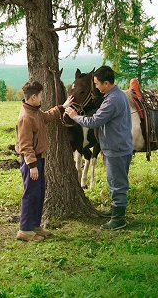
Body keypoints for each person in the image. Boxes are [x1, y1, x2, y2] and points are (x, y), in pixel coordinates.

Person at [66, 65, 133, 230]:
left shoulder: (112, 100)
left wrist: (75, 117)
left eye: (97, 84)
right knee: (114, 181)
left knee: (118, 183)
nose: (95, 87)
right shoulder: (117, 95)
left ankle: (119, 219)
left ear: (107, 83)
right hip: (118, 145)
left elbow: (95, 121)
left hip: (116, 148)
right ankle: (115, 210)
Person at [15, 80, 74, 242]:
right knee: (31, 195)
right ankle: (25, 230)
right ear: (33, 97)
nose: (42, 98)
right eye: (41, 95)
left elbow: (47, 117)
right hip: (31, 163)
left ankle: (34, 225)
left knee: (39, 193)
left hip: (39, 161)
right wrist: (32, 166)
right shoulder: (26, 117)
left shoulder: (35, 111)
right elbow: (25, 145)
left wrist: (62, 107)